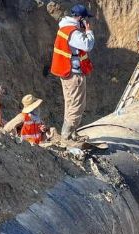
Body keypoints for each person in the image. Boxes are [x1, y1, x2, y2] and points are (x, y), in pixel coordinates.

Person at [50, 4, 95, 142]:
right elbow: (87, 45)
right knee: (76, 106)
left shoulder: (64, 28)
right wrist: (89, 32)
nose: (86, 22)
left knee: (70, 104)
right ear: (80, 18)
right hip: (74, 74)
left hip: (67, 72)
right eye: (85, 20)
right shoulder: (73, 32)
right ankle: (67, 136)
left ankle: (71, 133)